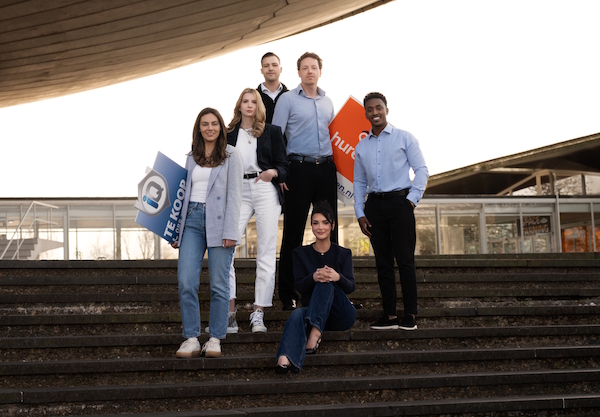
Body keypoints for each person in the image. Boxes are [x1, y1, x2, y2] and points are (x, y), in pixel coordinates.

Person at [353, 92, 429, 331]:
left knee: (405, 260)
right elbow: (359, 183)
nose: (375, 112)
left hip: (400, 204)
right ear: (366, 113)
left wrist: (411, 201)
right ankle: (390, 315)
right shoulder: (361, 147)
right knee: (383, 263)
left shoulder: (404, 138)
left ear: (386, 110)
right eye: (370, 109)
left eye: (379, 108)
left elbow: (422, 170)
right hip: (374, 207)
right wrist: (360, 212)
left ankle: (410, 315)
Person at [173, 107, 243, 358]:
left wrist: (231, 230)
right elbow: (182, 195)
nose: (210, 128)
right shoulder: (191, 157)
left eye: (214, 123)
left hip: (219, 222)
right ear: (198, 128)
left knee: (219, 284)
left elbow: (235, 195)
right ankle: (191, 338)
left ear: (221, 127)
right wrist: (176, 230)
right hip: (191, 221)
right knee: (186, 281)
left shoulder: (231, 155)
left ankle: (215, 338)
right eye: (205, 124)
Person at [272, 52, 337, 311]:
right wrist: (281, 173)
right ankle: (288, 293)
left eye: (314, 67)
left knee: (330, 230)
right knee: (293, 232)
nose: (310, 71)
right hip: (298, 169)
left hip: (326, 169)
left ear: (320, 71)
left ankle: (333, 291)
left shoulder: (328, 102)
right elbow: (275, 138)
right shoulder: (287, 100)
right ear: (298, 72)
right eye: (305, 68)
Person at [225, 88, 289, 333]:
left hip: (263, 188)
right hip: (237, 189)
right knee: (226, 247)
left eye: (254, 101)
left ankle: (258, 312)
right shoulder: (228, 134)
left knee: (266, 251)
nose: (249, 105)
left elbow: (284, 166)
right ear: (239, 105)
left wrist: (273, 172)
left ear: (259, 106)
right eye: (245, 101)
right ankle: (230, 313)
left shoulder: (271, 132)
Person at [275, 201, 356, 374]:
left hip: (340, 314)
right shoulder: (300, 253)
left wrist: (337, 277)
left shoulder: (343, 253)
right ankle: (284, 358)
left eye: (325, 223)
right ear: (311, 225)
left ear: (332, 225)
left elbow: (351, 287)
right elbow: (299, 287)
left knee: (327, 279)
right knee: (297, 314)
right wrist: (313, 277)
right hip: (313, 311)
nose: (320, 227)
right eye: (316, 223)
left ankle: (315, 333)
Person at [258, 52, 288, 124]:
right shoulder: (253, 98)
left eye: (274, 65)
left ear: (280, 69)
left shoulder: (290, 97)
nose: (270, 68)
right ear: (261, 70)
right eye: (266, 66)